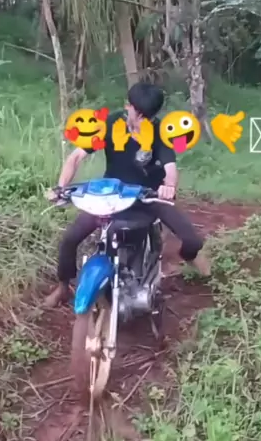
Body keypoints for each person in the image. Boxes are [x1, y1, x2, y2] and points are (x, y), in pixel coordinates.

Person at [44, 82, 210, 308]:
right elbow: (76, 157)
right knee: (70, 239)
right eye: (138, 114)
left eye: (147, 117)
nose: (142, 121)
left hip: (148, 197)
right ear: (128, 106)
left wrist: (168, 185)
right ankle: (63, 287)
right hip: (111, 196)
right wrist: (61, 187)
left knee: (192, 240)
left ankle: (188, 258)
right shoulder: (111, 124)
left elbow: (170, 168)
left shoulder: (159, 132)